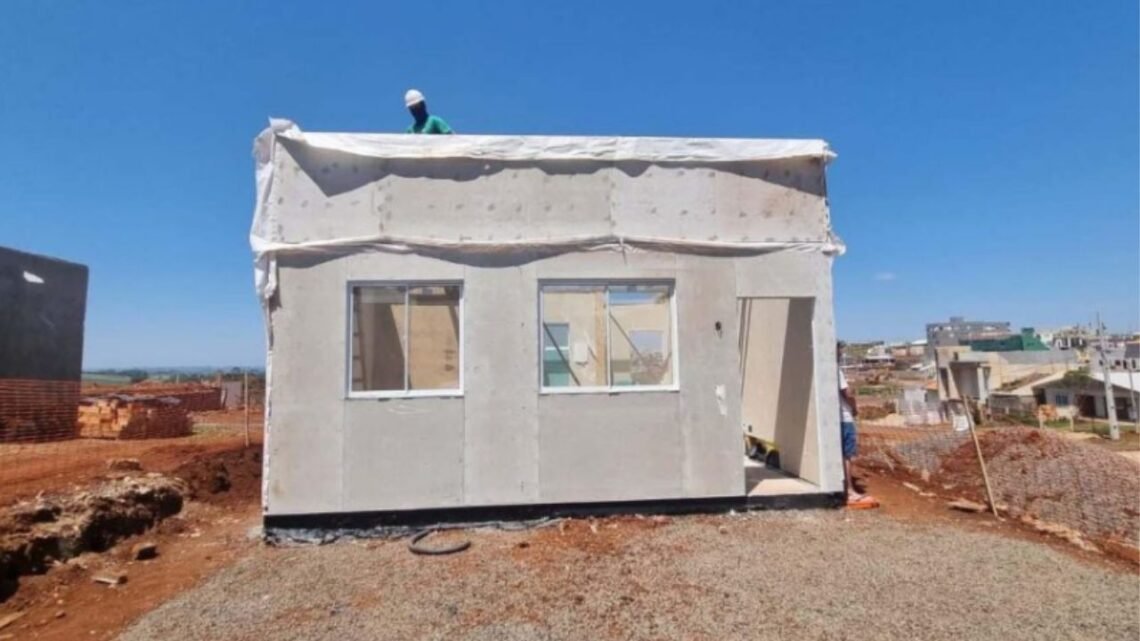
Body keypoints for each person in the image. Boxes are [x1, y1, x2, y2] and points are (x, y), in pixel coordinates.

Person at [838, 342, 878, 509]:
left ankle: (844, 488)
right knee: (847, 456)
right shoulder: (836, 370)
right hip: (844, 417)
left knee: (842, 455)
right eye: (840, 351)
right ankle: (850, 491)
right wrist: (854, 408)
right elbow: (847, 393)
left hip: (835, 418)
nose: (841, 354)